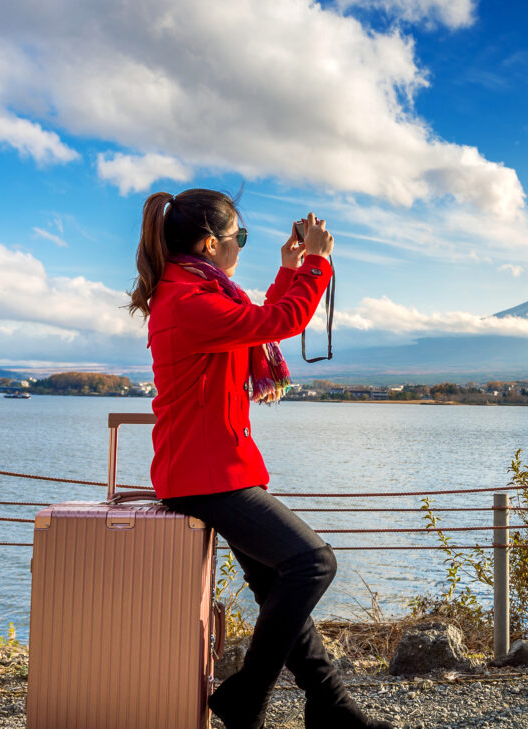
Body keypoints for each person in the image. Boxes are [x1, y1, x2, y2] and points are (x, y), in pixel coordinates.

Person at [128, 188, 392, 729]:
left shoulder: (195, 291)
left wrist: (290, 267)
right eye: (237, 238)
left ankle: (334, 710)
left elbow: (255, 316)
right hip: (206, 475)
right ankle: (248, 694)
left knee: (277, 586)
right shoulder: (191, 303)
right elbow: (280, 322)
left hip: (213, 467)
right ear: (209, 243)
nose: (240, 247)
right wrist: (317, 263)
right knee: (312, 563)